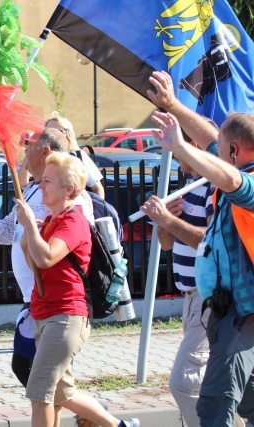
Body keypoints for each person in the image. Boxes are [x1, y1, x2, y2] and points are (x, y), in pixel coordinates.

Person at [0, 128, 94, 385]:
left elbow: (57, 253)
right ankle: (106, 421)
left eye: (28, 146)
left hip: (58, 304)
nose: (23, 150)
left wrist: (31, 228)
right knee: (49, 381)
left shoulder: (71, 199)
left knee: (37, 377)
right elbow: (5, 232)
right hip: (34, 300)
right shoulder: (35, 191)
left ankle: (104, 420)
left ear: (45, 151)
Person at [148, 70, 254, 426]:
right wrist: (172, 105)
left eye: (222, 151)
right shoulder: (235, 159)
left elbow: (230, 178)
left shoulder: (248, 181)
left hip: (242, 314)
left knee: (213, 405)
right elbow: (212, 139)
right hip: (229, 310)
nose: (214, 154)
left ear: (235, 152)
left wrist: (179, 147)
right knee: (250, 403)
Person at [14, 151, 139, 427]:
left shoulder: (73, 221)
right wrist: (29, 233)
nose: (40, 186)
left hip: (65, 316)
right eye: (41, 180)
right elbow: (37, 268)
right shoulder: (50, 222)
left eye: (47, 181)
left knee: (39, 393)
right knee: (60, 393)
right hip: (46, 314)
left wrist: (32, 232)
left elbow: (46, 257)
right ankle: (120, 426)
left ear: (67, 189)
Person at [139, 129, 216, 427]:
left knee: (185, 383)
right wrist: (163, 223)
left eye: (169, 141)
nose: (165, 150)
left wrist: (168, 219)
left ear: (191, 144)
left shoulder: (212, 185)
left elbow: (212, 242)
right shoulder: (188, 183)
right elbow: (167, 243)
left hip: (206, 295)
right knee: (208, 381)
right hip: (190, 297)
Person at [44, 112, 105, 199]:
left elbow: (97, 188)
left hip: (76, 209)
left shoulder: (78, 155)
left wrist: (97, 210)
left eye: (59, 131)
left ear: (68, 134)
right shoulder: (41, 156)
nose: (53, 135)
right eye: (48, 131)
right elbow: (23, 183)